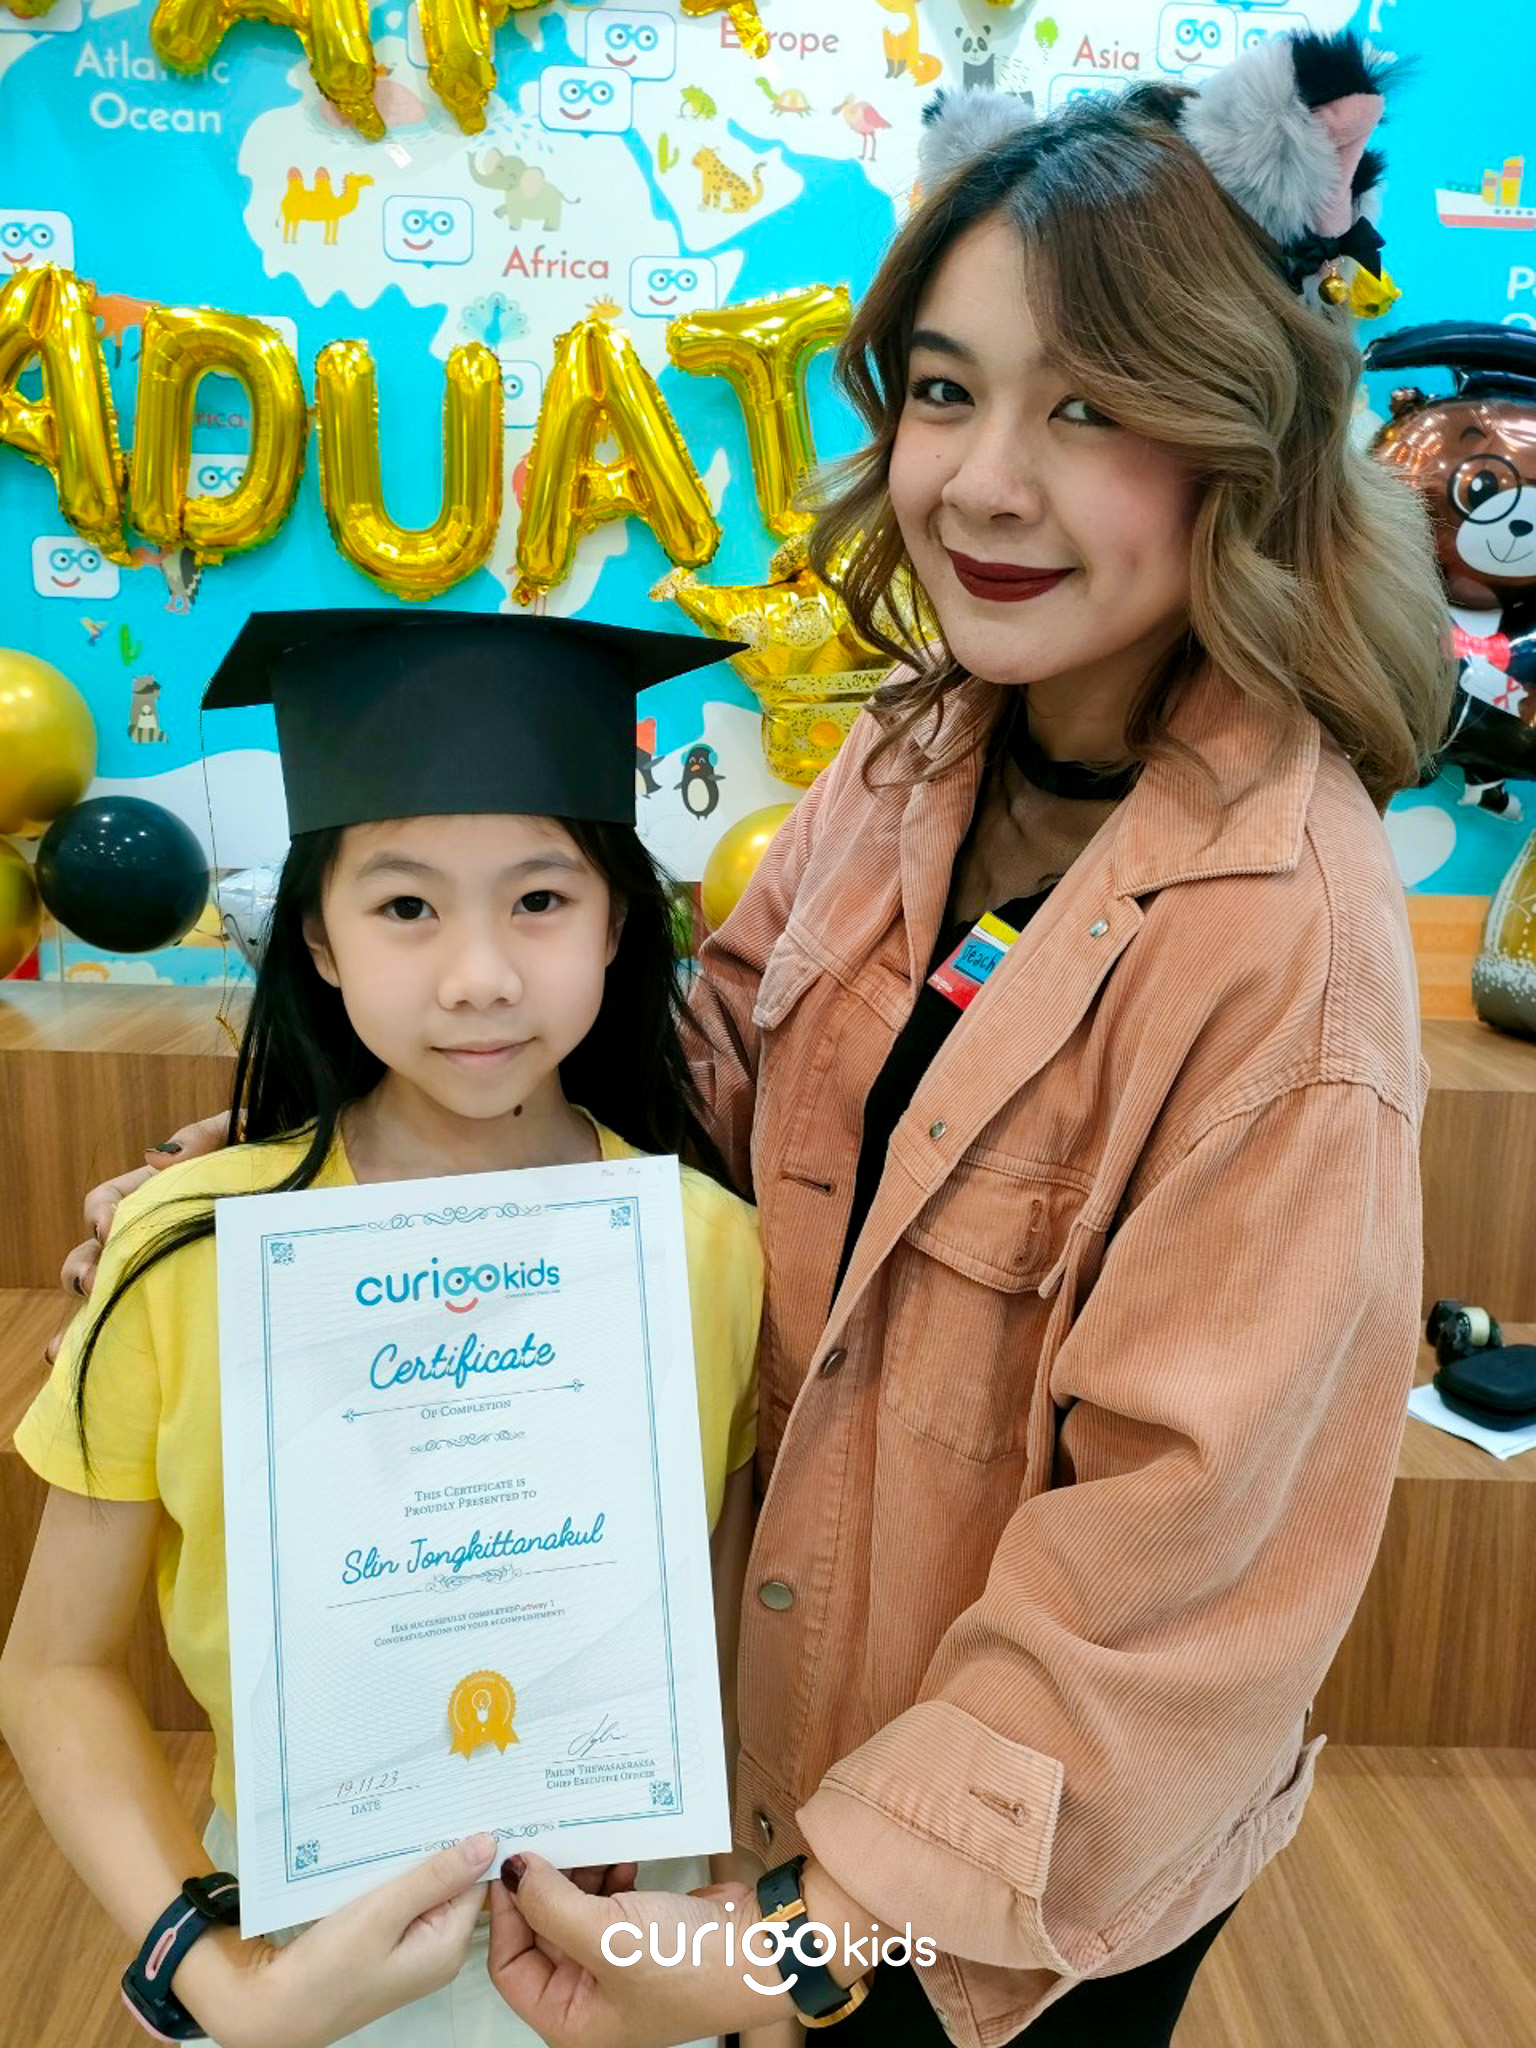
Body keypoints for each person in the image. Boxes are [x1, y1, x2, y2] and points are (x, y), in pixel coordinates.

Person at [54, 31, 1457, 2048]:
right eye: (946, 391)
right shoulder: (912, 755)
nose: (984, 479)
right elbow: (708, 1082)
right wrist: (326, 1202)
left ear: (1238, 434)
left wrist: (794, 1946)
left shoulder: (1281, 950)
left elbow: (1166, 1576)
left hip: (982, 1901)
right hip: (768, 1755)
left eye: (1090, 406)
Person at [1, 612, 763, 2048]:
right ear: (319, 939)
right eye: (406, 907)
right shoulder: (189, 1254)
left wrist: (719, 1934)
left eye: (541, 900)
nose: (478, 975)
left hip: (620, 1951)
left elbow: (709, 1629)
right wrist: (216, 1982)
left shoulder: (705, 1248)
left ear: (618, 924)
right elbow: (53, 1668)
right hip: (309, 1954)